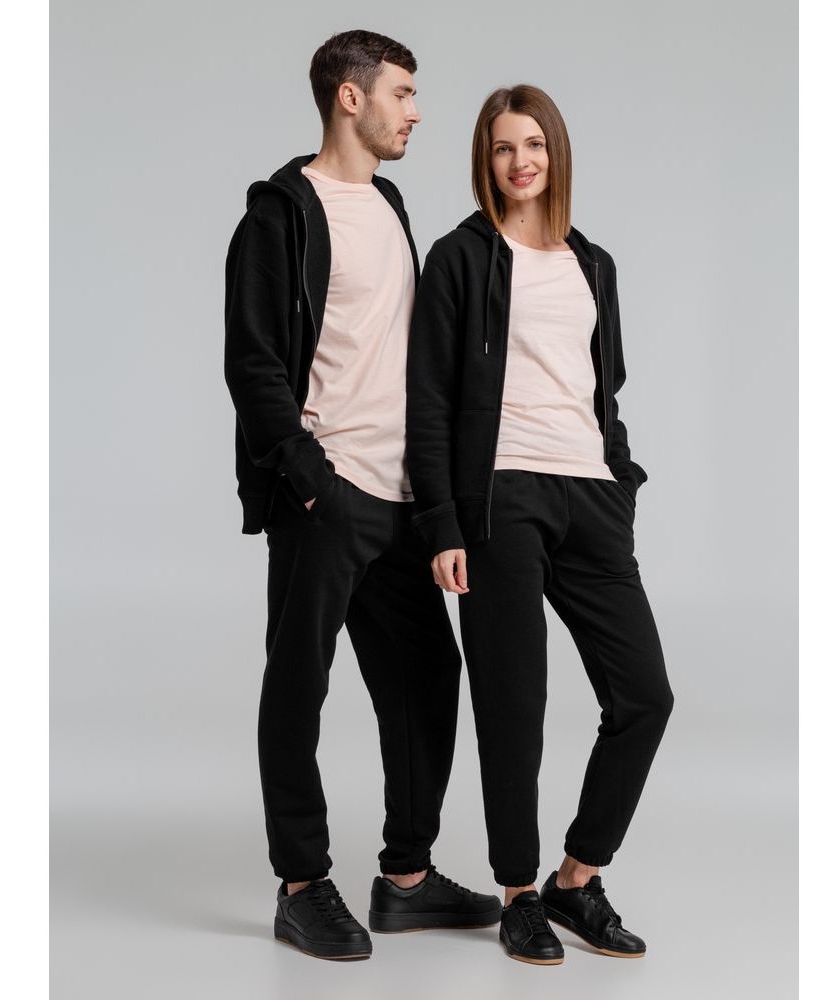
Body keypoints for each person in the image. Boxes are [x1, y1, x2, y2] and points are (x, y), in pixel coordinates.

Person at [223, 30, 500, 961]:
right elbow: (254, 364)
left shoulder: (387, 203)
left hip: (402, 497)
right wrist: (312, 482)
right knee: (298, 686)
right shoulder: (281, 216)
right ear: (352, 98)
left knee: (427, 680)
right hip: (329, 494)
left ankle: (406, 880)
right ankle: (302, 885)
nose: (416, 112)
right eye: (403, 93)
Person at [407, 84, 674, 966]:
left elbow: (605, 387)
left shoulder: (594, 263)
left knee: (644, 696)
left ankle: (576, 878)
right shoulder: (459, 257)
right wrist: (443, 523)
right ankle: (519, 892)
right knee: (514, 702)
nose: (520, 161)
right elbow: (429, 399)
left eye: (533, 144)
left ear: (555, 152)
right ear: (484, 162)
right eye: (502, 148)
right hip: (501, 497)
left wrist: (619, 481)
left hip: (590, 495)